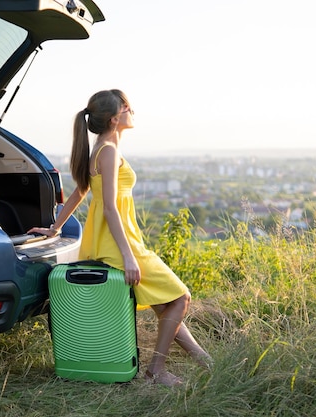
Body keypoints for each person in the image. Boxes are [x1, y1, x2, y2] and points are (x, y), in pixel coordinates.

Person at [29, 89, 211, 386]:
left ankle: (206, 362)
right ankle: (156, 371)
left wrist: (55, 227)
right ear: (114, 119)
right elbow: (111, 208)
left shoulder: (102, 148)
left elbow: (80, 191)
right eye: (127, 108)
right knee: (180, 298)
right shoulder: (109, 152)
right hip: (119, 244)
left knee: (164, 305)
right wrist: (128, 256)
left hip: (117, 241)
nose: (132, 111)